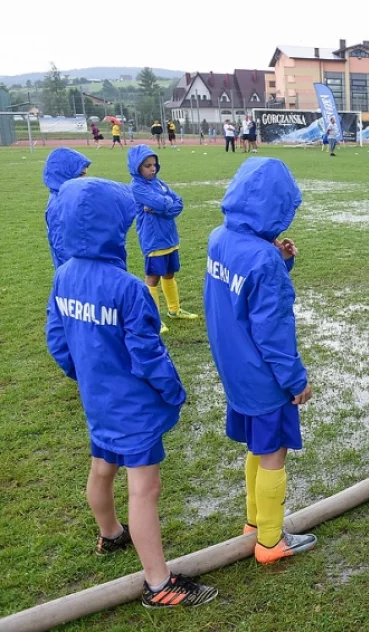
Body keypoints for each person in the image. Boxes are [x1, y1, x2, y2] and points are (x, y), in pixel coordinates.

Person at [46, 178, 218, 608]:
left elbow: (57, 340)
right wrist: (173, 390)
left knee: (102, 465)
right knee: (145, 489)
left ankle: (110, 535)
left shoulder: (62, 276)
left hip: (98, 401)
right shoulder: (129, 288)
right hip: (134, 407)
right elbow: (148, 355)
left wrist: (84, 376)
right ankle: (159, 584)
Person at [204, 157, 318, 564]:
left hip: (233, 368)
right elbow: (272, 330)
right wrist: (295, 379)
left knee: (257, 444)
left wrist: (280, 262)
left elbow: (242, 297)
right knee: (273, 452)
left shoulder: (219, 237)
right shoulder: (263, 259)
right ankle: (271, 540)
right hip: (263, 375)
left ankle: (254, 522)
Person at [128, 145, 199, 335]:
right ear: (137, 167)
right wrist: (165, 203)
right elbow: (164, 202)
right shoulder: (137, 187)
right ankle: (154, 319)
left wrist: (163, 206)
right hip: (153, 239)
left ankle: (174, 310)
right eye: (147, 165)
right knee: (153, 278)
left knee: (169, 273)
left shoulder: (159, 183)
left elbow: (179, 202)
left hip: (169, 236)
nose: (152, 168)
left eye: (154, 165)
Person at [43, 147, 91, 268]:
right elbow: (61, 246)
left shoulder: (69, 198)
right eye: (80, 175)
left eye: (85, 174)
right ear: (63, 174)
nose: (85, 179)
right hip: (74, 271)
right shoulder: (59, 205)